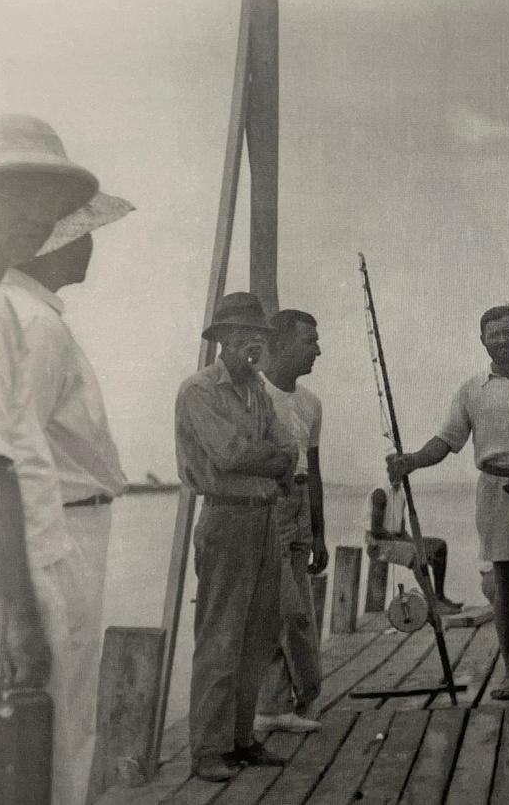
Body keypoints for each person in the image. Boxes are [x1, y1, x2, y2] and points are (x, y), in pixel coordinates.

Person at [0, 114, 123, 805]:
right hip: (48, 539)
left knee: (53, 724)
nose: (77, 239)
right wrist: (19, 606)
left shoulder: (24, 314)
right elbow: (10, 456)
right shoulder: (30, 322)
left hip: (49, 535)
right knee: (53, 727)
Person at [387, 304, 509, 703]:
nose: (501, 339)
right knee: (504, 588)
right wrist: (411, 460)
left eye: (507, 331)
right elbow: (446, 442)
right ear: (482, 341)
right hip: (495, 488)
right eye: (492, 334)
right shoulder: (470, 389)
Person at [175, 292, 298, 781]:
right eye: (245, 333)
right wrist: (273, 459)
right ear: (222, 338)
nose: (255, 341)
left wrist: (272, 458)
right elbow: (229, 455)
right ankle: (207, 749)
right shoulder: (199, 390)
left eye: (261, 335)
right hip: (226, 520)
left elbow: (287, 448)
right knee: (220, 636)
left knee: (259, 635)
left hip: (265, 520)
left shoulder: (259, 390)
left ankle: (242, 739)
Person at [254, 309, 330, 734]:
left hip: (300, 503)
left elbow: (314, 470)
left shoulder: (311, 403)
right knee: (285, 611)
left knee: (298, 606)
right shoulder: (255, 396)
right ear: (280, 343)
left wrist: (319, 532)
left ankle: (281, 705)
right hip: (268, 504)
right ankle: (298, 696)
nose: (317, 350)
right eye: (309, 341)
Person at [367, 484, 463, 614]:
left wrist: (412, 542)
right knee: (416, 554)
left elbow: (401, 530)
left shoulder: (400, 494)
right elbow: (376, 530)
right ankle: (433, 604)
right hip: (378, 545)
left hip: (396, 541)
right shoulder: (380, 493)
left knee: (439, 546)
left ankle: (439, 597)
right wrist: (407, 545)